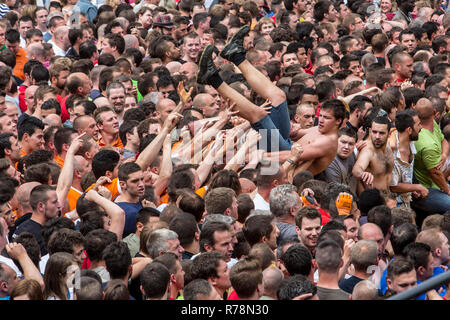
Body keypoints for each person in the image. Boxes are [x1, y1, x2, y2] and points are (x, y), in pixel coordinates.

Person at [412, 98, 450, 214]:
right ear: (434, 112)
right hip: (426, 189)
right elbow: (435, 173)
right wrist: (448, 190)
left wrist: (444, 154)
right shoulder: (427, 144)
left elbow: (443, 140)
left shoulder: (432, 123)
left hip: (439, 182)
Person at [353, 116, 394, 196]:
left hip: (387, 198)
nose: (377, 137)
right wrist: (363, 174)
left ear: (389, 134)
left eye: (381, 133)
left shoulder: (389, 146)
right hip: (372, 203)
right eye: (374, 132)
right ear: (370, 131)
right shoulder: (367, 150)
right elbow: (356, 170)